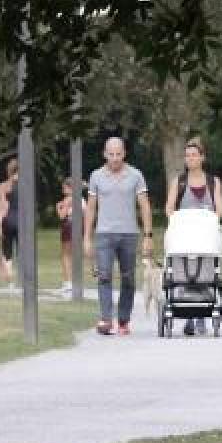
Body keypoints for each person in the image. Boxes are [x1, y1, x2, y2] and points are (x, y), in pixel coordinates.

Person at [83, 137, 154, 335]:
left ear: (124, 153)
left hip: (129, 234)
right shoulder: (96, 176)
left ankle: (123, 320)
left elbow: (145, 206)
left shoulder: (135, 175)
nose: (115, 158)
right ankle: (106, 319)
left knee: (128, 279)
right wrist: (87, 237)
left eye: (118, 154)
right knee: (103, 276)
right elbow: (90, 208)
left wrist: (148, 235)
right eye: (111, 154)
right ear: (105, 154)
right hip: (104, 234)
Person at [164, 136, 222, 336]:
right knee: (186, 272)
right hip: (185, 236)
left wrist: (208, 218)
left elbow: (219, 210)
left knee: (205, 272)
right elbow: (170, 208)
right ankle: (190, 316)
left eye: (194, 155)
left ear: (202, 157)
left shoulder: (213, 182)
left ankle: (199, 317)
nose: (190, 159)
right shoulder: (178, 182)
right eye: (187, 156)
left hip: (205, 236)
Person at [55, 177, 86, 295]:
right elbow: (86, 212)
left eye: (64, 187)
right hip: (79, 226)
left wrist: (58, 207)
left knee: (65, 255)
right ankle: (74, 281)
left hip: (68, 225)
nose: (63, 189)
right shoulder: (81, 199)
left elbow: (62, 216)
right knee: (74, 255)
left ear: (70, 188)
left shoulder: (68, 199)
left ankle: (67, 282)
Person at [0, 158, 19, 287]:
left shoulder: (3, 185)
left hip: (8, 219)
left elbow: (3, 205)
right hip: (22, 219)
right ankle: (25, 279)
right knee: (23, 250)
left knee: (7, 250)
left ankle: (10, 278)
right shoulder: (26, 184)